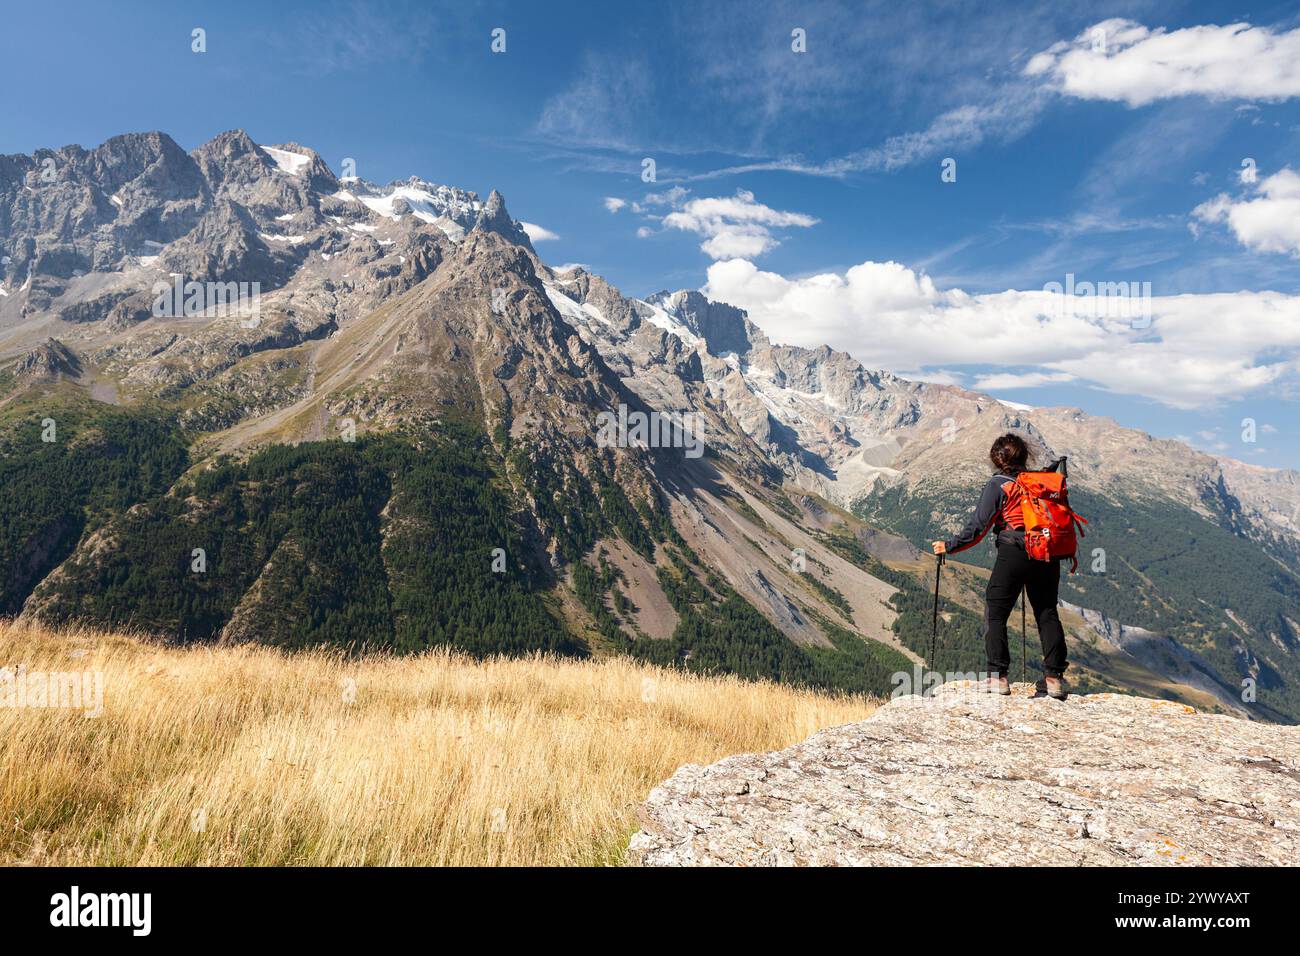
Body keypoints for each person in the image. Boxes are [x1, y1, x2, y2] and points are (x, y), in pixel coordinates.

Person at [931, 433, 1068, 699]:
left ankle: (998, 677)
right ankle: (1054, 679)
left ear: (996, 458)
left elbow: (978, 528)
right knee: (1047, 611)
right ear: (1024, 456)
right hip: (1047, 552)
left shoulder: (998, 485)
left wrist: (949, 546)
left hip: (1014, 553)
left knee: (995, 612)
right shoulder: (1040, 483)